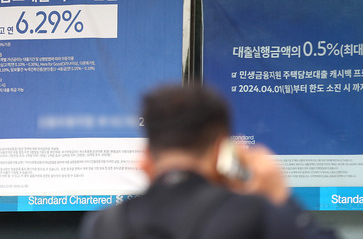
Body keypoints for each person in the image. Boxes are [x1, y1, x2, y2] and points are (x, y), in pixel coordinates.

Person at [79, 84, 337, 239]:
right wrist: (280, 197)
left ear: (146, 156)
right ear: (221, 150)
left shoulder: (103, 224)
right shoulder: (255, 214)